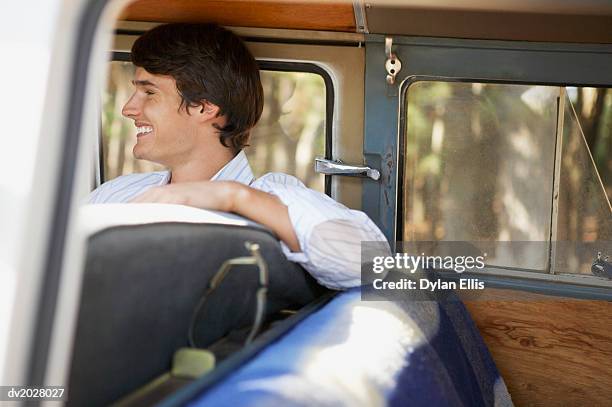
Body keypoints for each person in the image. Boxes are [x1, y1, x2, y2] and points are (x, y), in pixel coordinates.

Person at [89, 23, 387, 289]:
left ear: (204, 107)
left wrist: (233, 197)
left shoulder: (270, 196)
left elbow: (369, 263)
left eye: (149, 93)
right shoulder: (116, 193)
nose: (128, 108)